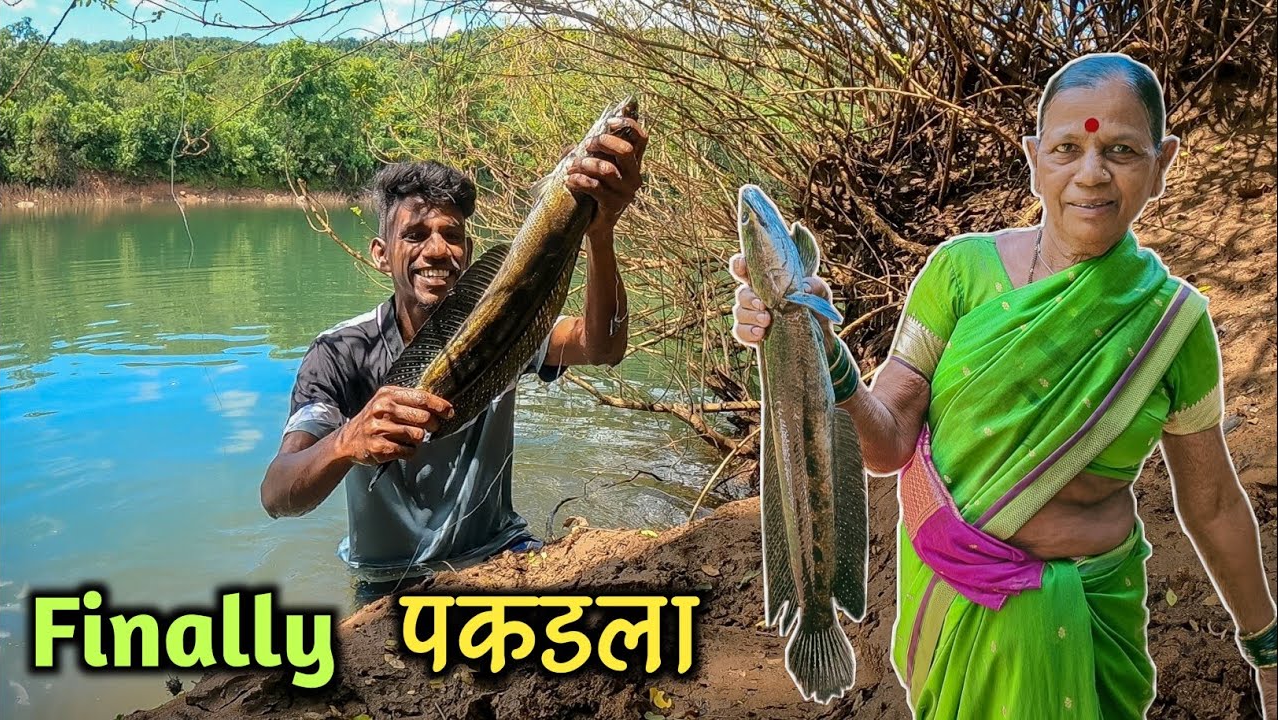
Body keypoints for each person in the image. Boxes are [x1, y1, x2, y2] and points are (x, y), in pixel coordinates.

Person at [730, 53, 1275, 718]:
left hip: (1092, 617)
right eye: (1067, 148)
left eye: (1122, 150)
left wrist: (1267, 646)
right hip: (957, 611)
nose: (1092, 172)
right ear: (1033, 158)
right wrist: (819, 351)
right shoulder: (960, 274)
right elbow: (886, 446)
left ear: (1161, 165)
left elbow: (1213, 503)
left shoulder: (1172, 323)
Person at [260, 120, 647, 605]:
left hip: (503, 553)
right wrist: (347, 440)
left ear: (466, 248)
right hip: (389, 580)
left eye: (452, 234)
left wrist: (601, 233)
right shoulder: (340, 353)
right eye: (416, 234)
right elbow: (277, 496)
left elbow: (603, 346)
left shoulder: (504, 325)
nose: (437, 250)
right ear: (381, 254)